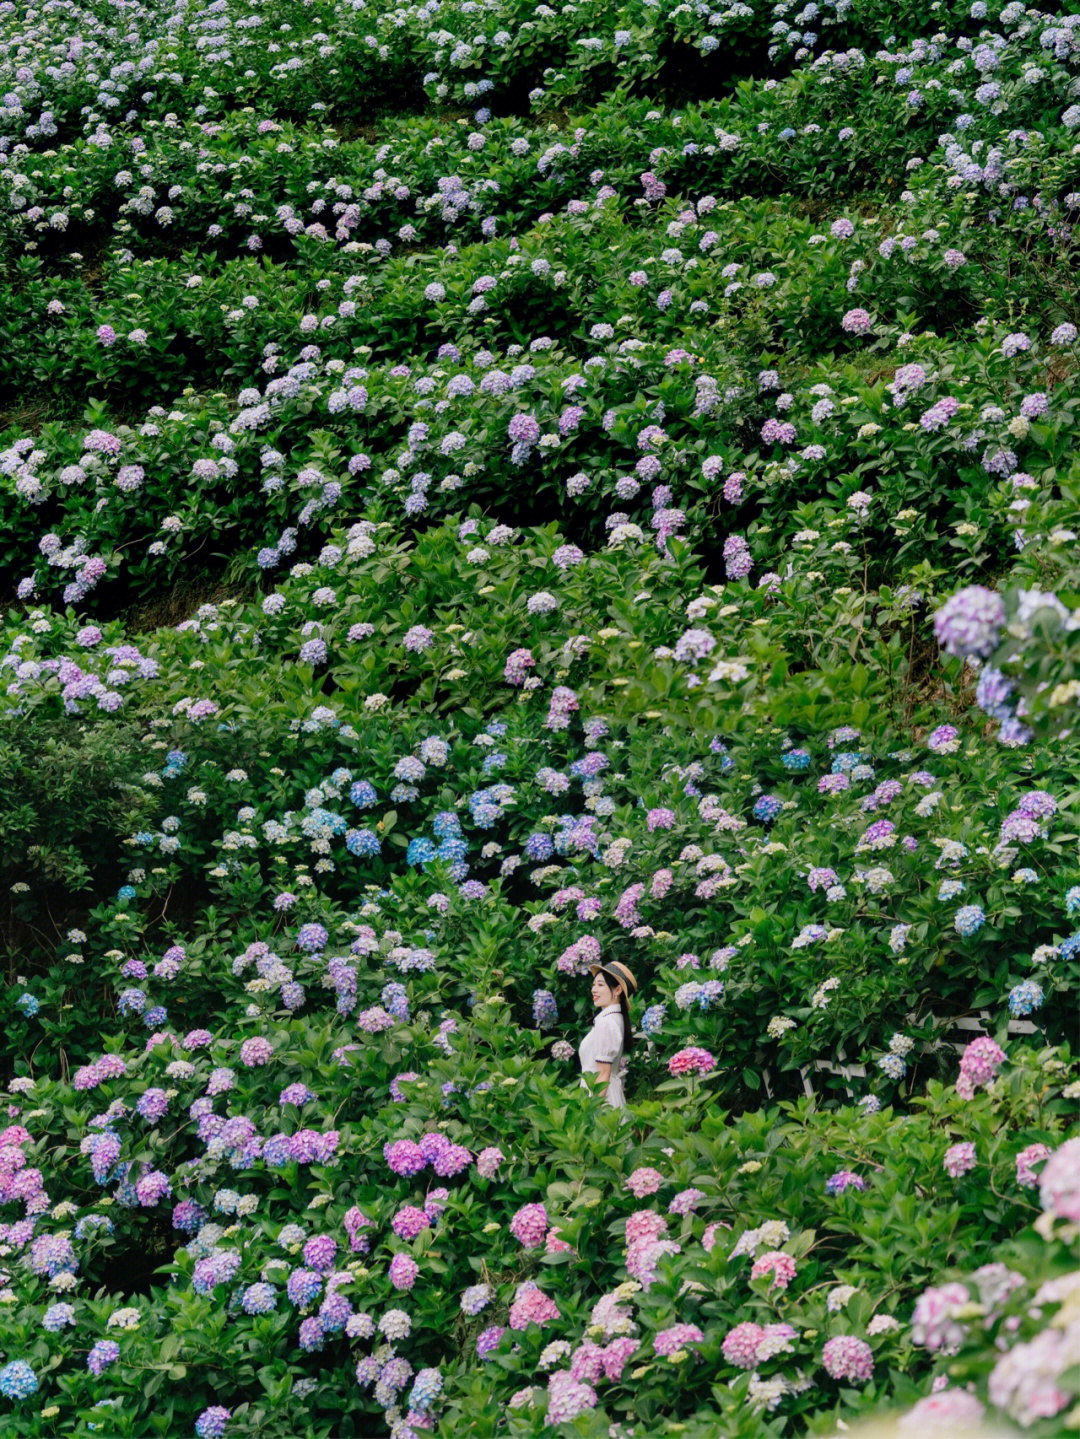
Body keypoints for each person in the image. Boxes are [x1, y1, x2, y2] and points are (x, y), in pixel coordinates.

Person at [578, 961, 637, 1109]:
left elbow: (603, 1074)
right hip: (605, 1093)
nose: (594, 990)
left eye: (600, 985)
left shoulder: (607, 1023)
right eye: (594, 985)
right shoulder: (613, 1019)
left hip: (601, 1097)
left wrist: (592, 1111)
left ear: (617, 990)